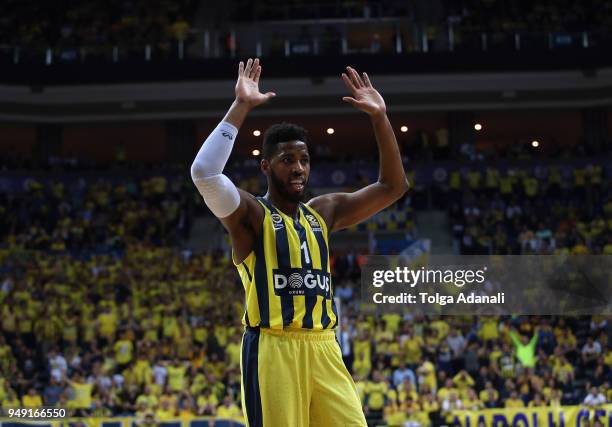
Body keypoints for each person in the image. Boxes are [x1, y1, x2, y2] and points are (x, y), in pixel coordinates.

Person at [190, 57, 408, 426]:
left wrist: (379, 118)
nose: (298, 168)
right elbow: (205, 173)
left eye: (304, 159)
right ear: (266, 166)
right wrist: (241, 105)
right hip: (273, 347)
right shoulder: (251, 216)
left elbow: (393, 186)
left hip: (324, 346)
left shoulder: (323, 212)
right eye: (287, 159)